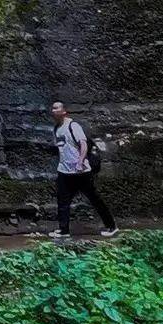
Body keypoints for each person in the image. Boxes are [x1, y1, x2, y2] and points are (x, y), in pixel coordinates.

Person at [48, 101, 118, 240]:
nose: (53, 110)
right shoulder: (56, 128)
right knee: (62, 201)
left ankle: (112, 227)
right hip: (64, 171)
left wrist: (80, 162)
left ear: (64, 111)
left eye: (56, 108)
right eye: (52, 108)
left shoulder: (73, 126)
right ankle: (64, 230)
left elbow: (83, 144)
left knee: (94, 199)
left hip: (81, 172)